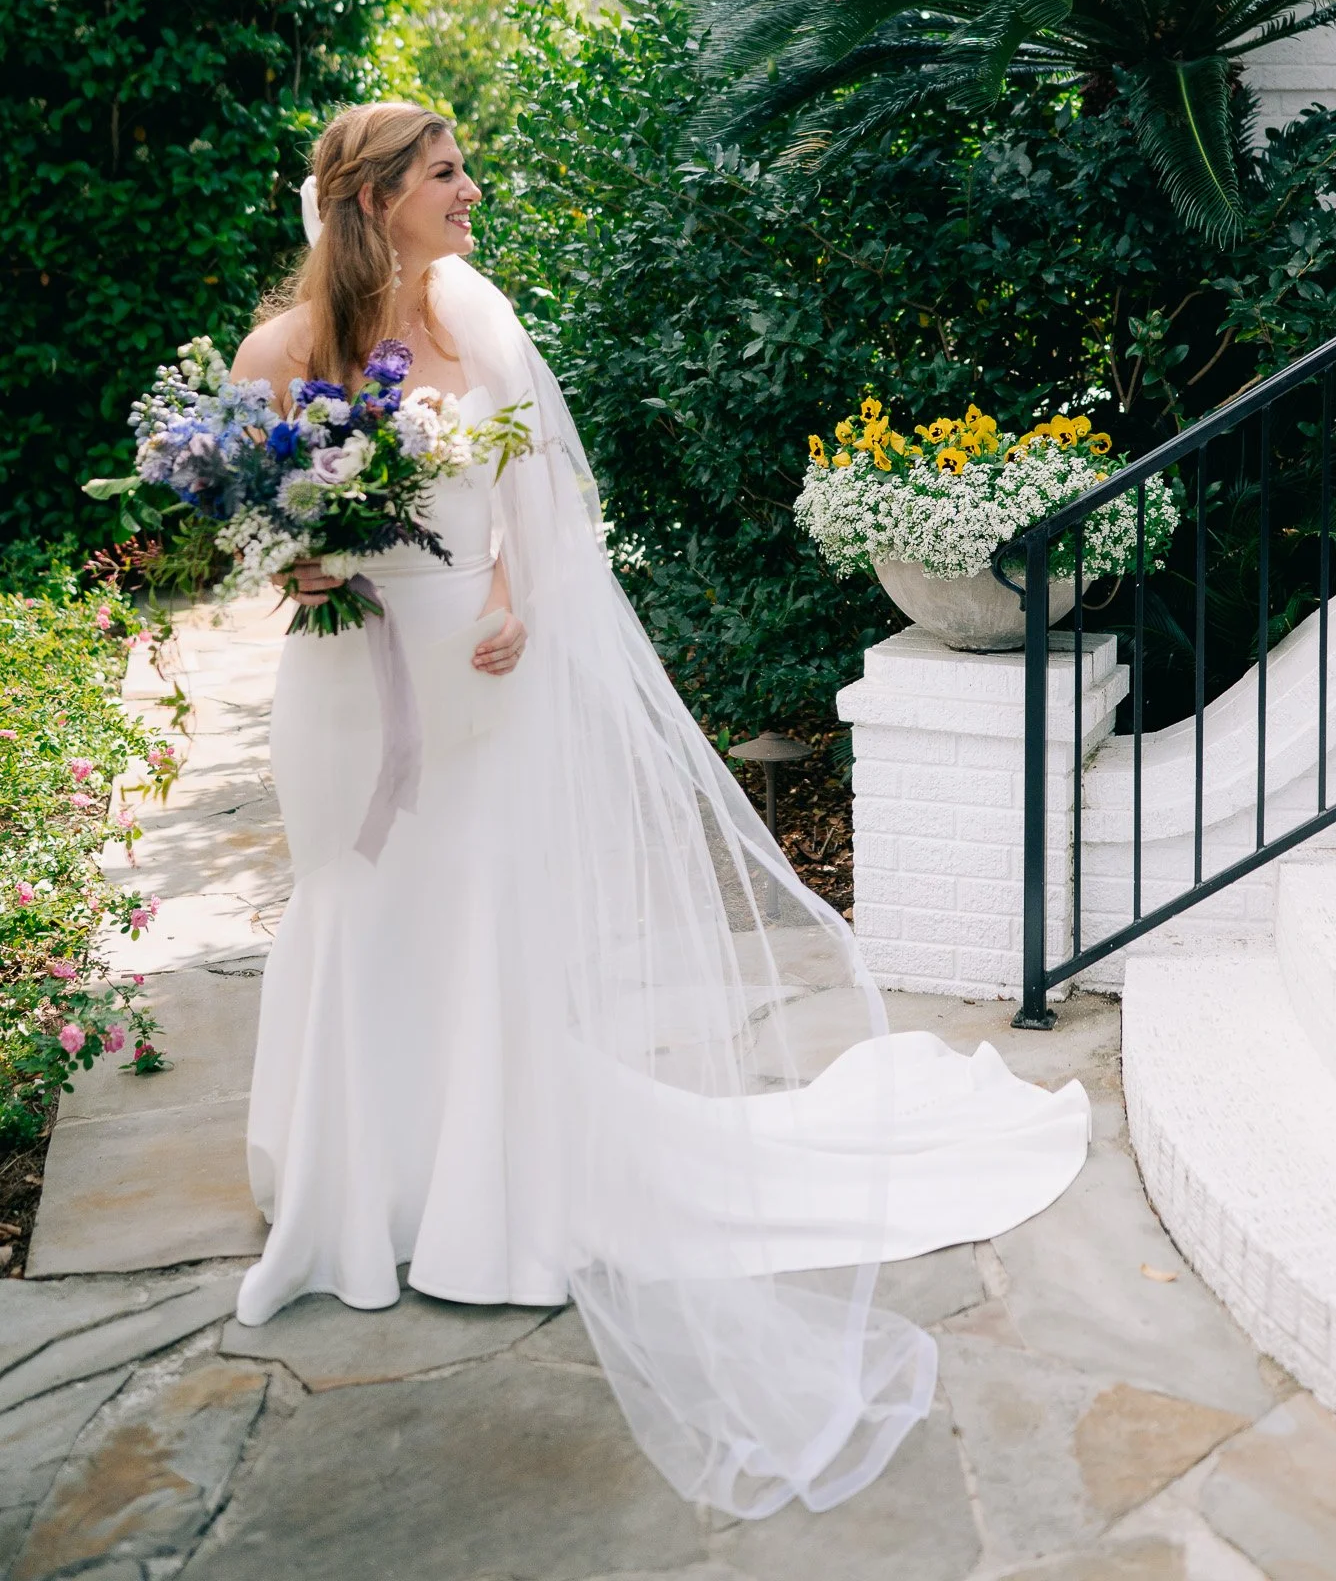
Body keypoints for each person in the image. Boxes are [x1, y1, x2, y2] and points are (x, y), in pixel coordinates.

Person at [229, 100, 1091, 1518]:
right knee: (359, 905)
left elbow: (537, 499)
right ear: (377, 196)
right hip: (347, 688)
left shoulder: (473, 319)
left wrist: (511, 598)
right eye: (447, 173)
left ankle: (479, 1203)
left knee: (475, 922)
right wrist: (299, 569)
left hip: (479, 678)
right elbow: (257, 526)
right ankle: (354, 1193)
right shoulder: (284, 352)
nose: (471, 188)